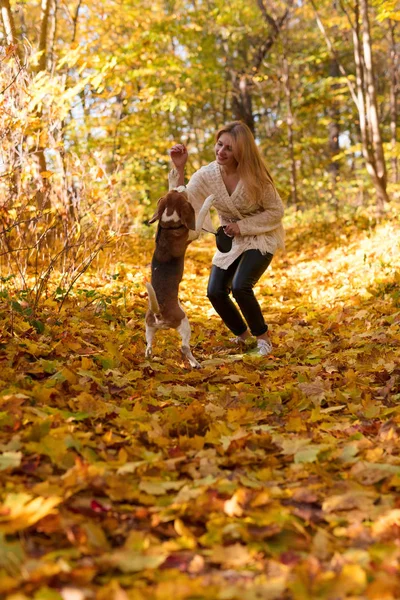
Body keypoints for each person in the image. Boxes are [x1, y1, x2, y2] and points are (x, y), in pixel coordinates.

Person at [169, 121, 284, 356]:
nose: (221, 151)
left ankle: (263, 339)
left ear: (241, 151)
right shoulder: (207, 175)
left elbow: (276, 212)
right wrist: (180, 170)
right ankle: (244, 338)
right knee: (215, 291)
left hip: (261, 235)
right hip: (232, 240)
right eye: (219, 144)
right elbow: (186, 201)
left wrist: (242, 226)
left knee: (241, 286)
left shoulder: (256, 178)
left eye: (229, 148)